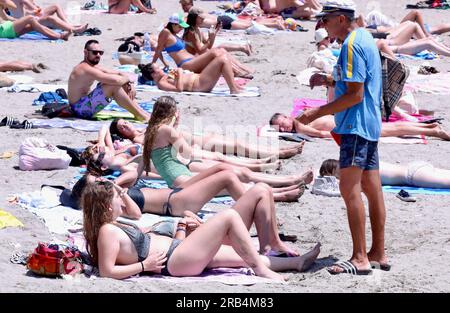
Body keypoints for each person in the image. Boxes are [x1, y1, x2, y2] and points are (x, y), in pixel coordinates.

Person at [297, 0, 388, 275]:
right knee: (372, 189)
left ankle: (360, 257)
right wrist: (327, 80)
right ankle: (378, 252)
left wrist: (316, 113)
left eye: (325, 20)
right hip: (369, 124)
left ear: (339, 18)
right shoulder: (365, 37)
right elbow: (357, 82)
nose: (323, 26)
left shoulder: (350, 45)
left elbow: (354, 95)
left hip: (356, 126)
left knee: (349, 190)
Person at [81, 180, 321, 280]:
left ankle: (295, 263)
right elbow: (106, 271)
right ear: (104, 205)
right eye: (116, 198)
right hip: (174, 262)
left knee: (243, 256)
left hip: (180, 250)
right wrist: (144, 266)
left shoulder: (114, 225)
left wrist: (182, 230)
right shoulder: (106, 231)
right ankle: (262, 271)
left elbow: (133, 213)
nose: (121, 202)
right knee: (228, 216)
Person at [73, 173, 298, 256]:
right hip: (187, 222)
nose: (102, 181)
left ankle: (272, 242)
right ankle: (271, 245)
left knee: (257, 187)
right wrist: (183, 228)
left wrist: (117, 188)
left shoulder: (119, 225)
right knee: (247, 184)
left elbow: (139, 221)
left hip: (188, 220)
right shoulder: (114, 228)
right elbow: (138, 216)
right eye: (97, 183)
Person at [139, 96, 312, 201]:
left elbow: (142, 163)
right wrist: (178, 127)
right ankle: (284, 189)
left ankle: (289, 182)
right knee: (231, 180)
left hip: (179, 180)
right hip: (183, 181)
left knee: (230, 171)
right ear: (172, 113)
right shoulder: (168, 130)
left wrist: (131, 184)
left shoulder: (151, 132)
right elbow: (187, 153)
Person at [109, 118, 305, 159]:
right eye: (122, 127)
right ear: (122, 134)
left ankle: (278, 152)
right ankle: (280, 152)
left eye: (125, 122)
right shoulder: (139, 140)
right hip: (195, 144)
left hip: (199, 136)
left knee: (238, 144)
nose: (127, 125)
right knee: (237, 146)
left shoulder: (146, 128)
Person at [151, 13, 254, 79]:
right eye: (180, 26)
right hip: (186, 64)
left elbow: (206, 46)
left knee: (220, 52)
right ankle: (238, 73)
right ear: (173, 24)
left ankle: (240, 71)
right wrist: (153, 65)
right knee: (215, 52)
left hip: (193, 60)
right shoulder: (165, 32)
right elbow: (158, 49)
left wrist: (165, 64)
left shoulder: (175, 34)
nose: (181, 29)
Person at [68, 40, 150, 121]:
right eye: (95, 52)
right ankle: (140, 115)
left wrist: (130, 84)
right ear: (85, 52)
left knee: (122, 83)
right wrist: (128, 80)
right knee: (113, 85)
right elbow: (116, 81)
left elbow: (119, 73)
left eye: (100, 53)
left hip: (85, 103)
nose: (98, 55)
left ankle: (141, 112)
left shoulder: (93, 66)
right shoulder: (84, 68)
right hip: (79, 109)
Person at [270, 113, 450, 140]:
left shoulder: (300, 124)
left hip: (351, 126)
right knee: (391, 127)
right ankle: (429, 128)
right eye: (281, 130)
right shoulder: (302, 116)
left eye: (282, 124)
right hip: (349, 121)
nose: (284, 129)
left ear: (285, 116)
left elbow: (319, 134)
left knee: (393, 129)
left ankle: (433, 131)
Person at [321, 158, 450, 189]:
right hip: (415, 168)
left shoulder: (355, 171)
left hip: (413, 176)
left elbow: (357, 189)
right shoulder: (356, 161)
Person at [138, 61, 243, 94]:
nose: (161, 69)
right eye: (158, 69)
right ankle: (233, 89)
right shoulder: (161, 84)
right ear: (153, 74)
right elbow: (179, 90)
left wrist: (177, 74)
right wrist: (179, 73)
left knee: (222, 59)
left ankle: (234, 87)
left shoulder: (164, 77)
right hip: (199, 84)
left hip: (200, 79)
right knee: (221, 59)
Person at [183, 8, 253, 56]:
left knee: (220, 50)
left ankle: (243, 48)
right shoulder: (192, 32)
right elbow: (201, 50)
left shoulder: (197, 29)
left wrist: (213, 35)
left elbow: (208, 46)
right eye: (201, 18)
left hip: (222, 21)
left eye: (203, 18)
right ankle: (243, 48)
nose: (203, 20)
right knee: (220, 50)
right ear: (194, 18)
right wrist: (210, 39)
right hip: (195, 58)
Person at [179, 1, 286, 31]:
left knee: (248, 25)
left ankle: (275, 24)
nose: (183, 7)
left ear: (189, 4)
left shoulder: (191, 15)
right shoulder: (197, 10)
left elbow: (183, 23)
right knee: (248, 23)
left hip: (222, 23)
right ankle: (274, 23)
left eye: (184, 5)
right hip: (223, 19)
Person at [0, 0, 70, 40]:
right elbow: (13, 6)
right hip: (3, 30)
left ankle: (62, 35)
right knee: (30, 18)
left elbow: (6, 17)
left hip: (6, 28)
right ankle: (58, 36)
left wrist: (17, 21)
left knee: (33, 25)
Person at [9, 0, 89, 34]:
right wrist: (36, 9)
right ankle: (74, 30)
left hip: (25, 19)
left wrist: (34, 11)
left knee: (55, 6)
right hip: (26, 23)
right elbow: (36, 10)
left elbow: (25, 11)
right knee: (51, 18)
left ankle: (69, 24)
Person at [257, 0, 322, 19]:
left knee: (309, 11)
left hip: (289, 7)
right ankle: (318, 10)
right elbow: (268, 8)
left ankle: (319, 9)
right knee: (308, 12)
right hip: (283, 10)